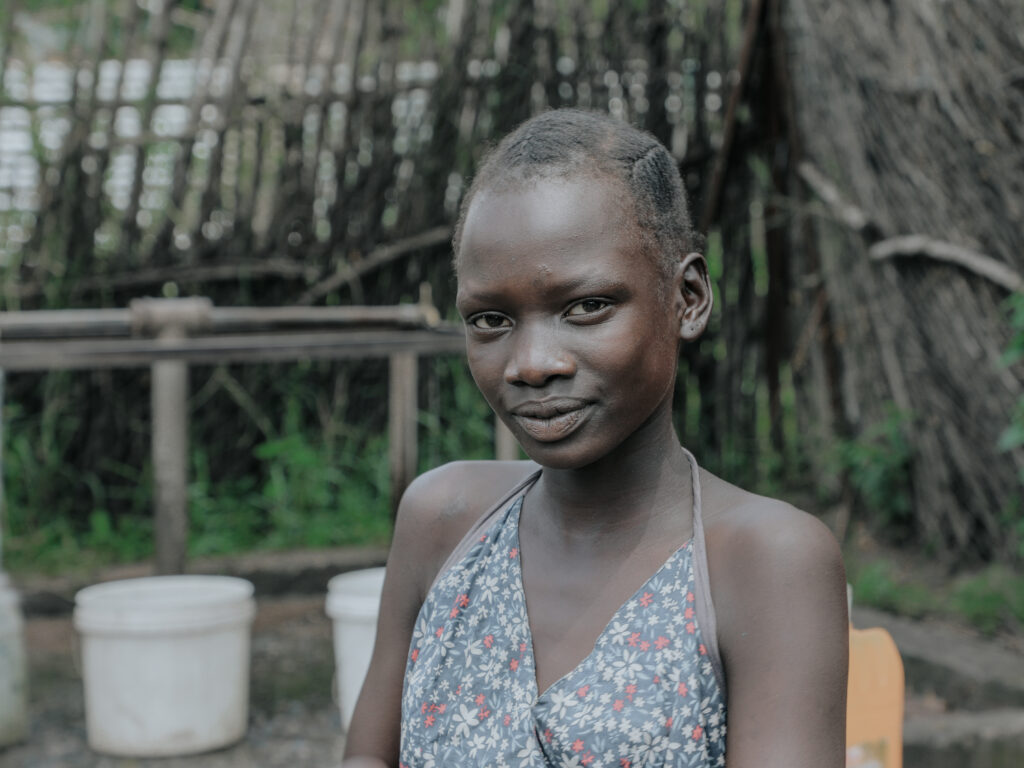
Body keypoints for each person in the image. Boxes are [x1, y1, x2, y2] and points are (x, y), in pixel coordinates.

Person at [342, 108, 848, 768]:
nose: (531, 362)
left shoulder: (763, 561)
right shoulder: (443, 522)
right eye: (491, 319)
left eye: (586, 307)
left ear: (688, 298)